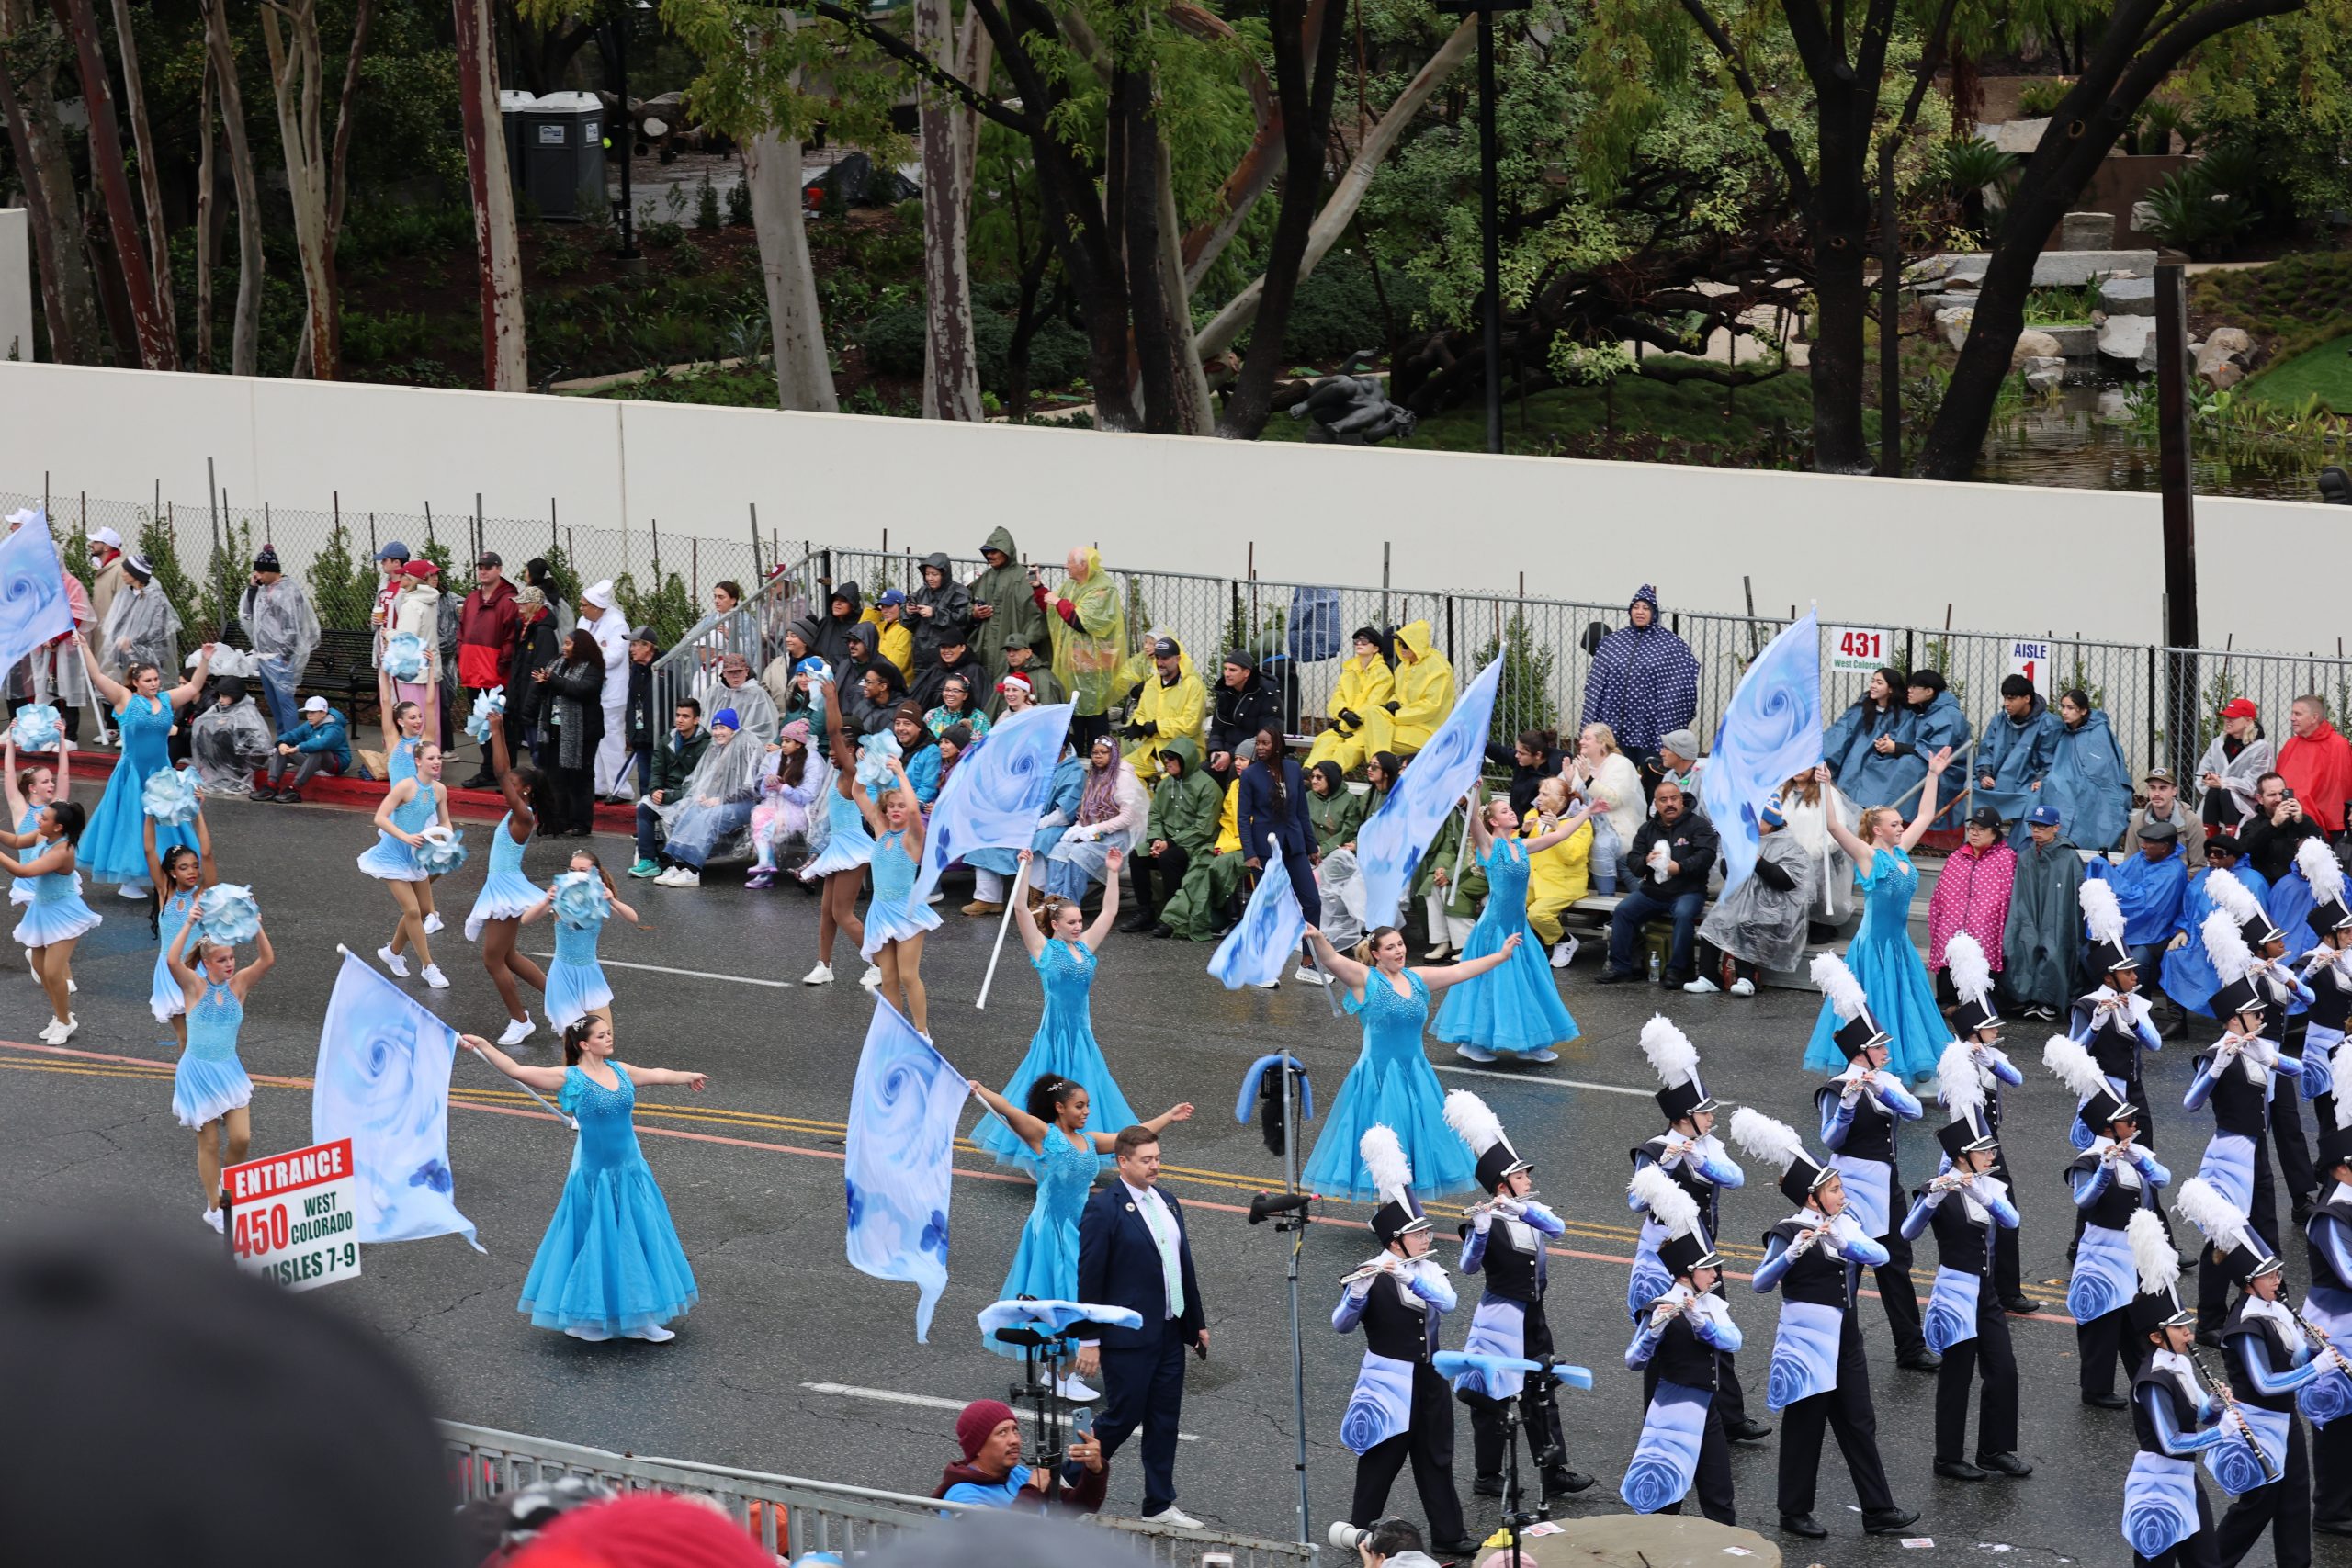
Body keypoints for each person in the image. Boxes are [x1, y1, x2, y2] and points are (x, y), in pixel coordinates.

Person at [1728, 1109, 1918, 1541]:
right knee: (1805, 1426)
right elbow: (1760, 1283)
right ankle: (1793, 1512)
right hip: (1806, 1343)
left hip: (1846, 1337)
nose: (1842, 1192)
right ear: (1812, 1197)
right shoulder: (1786, 1230)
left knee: (1858, 1421)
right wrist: (1790, 1255)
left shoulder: (1847, 1223)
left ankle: (1878, 1509)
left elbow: (1883, 1257)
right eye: (1834, 1189)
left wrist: (1842, 1238)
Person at [468, 1016, 705, 1343]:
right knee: (599, 1245)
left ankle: (639, 1318)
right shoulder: (570, 1079)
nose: (609, 1039)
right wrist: (482, 1044)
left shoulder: (620, 1070)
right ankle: (595, 1319)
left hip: (631, 1172)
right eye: (602, 1035)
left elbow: (658, 1074)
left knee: (636, 1240)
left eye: (609, 1033)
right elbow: (516, 1071)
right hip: (597, 1179)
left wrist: (687, 1076)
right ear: (584, 1044)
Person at [1445, 1091, 1593, 1507]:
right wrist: (1478, 1227)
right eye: (1522, 1175)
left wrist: (1518, 1207)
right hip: (1500, 1317)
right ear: (1501, 1183)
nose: (1529, 1180)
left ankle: (1554, 1469)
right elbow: (1469, 1268)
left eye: (1526, 1175)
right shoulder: (1486, 1221)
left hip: (1533, 1315)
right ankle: (1487, 1475)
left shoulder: (1533, 1213)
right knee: (1493, 1393)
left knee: (1540, 1388)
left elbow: (1557, 1227)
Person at [1335, 1128, 1476, 1553]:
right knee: (1381, 1459)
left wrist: (1409, 1273)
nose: (1426, 1239)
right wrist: (1356, 1294)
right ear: (1395, 1241)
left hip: (1429, 1378)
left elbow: (1448, 1303)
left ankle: (1450, 1536)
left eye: (1426, 1233)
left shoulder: (1425, 1270)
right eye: (1419, 1235)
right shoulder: (1370, 1271)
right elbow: (1341, 1325)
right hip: (1388, 1382)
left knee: (1436, 1457)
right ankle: (1360, 1534)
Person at [1300, 925, 1516, 1199]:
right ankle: (1391, 1208)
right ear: (1376, 954)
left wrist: (1500, 956)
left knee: (1416, 1137)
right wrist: (1318, 938)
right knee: (1386, 1138)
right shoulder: (1365, 979)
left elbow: (1460, 971)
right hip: (1379, 1076)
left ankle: (1403, 1207)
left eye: (1400, 944)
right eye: (1390, 947)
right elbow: (1331, 960)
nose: (1399, 950)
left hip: (1416, 1073)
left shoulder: (1416, 978)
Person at [1625, 1018, 1765, 1440]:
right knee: (1664, 1331)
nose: (1710, 1118)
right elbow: (1635, 1202)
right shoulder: (1652, 1149)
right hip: (1664, 1255)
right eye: (1704, 1113)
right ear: (1685, 1118)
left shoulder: (1708, 1146)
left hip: (1703, 1250)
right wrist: (1665, 1163)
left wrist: (1698, 1159)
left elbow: (1735, 1177)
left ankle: (1731, 1417)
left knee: (1716, 1321)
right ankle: (1658, 1415)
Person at [1066, 1123, 1207, 1528]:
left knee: (1165, 1420)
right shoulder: (1104, 1207)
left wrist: (1195, 1322)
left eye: (1158, 1158)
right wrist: (1089, 1339)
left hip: (1168, 1330)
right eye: (1146, 1160)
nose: (1155, 1166)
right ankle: (1068, 1479)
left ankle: (1159, 1505)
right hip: (1126, 1335)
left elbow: (1183, 1266)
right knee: (1123, 1416)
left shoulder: (1167, 1201)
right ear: (1122, 1161)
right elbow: (1090, 1275)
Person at [2177, 1179, 2320, 1568]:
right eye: (2270, 1274)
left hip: (2284, 1418)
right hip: (2257, 1421)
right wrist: (2317, 1368)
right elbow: (2264, 1382)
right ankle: (2213, 1563)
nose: (2279, 1279)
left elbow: (2291, 1358)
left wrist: (2313, 1351)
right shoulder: (2244, 1326)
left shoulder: (2273, 1308)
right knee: (2258, 1503)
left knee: (2293, 1498)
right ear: (2247, 1283)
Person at [1900, 1049, 2029, 1482]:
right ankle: (1948, 1457)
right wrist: (1934, 1196)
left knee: (2004, 1370)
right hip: (1955, 1291)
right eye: (1983, 1150)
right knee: (1957, 1374)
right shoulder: (1937, 1189)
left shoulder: (1991, 1187)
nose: (1992, 1155)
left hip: (1986, 1290)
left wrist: (1978, 1191)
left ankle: (1995, 1448)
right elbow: (1907, 1234)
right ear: (1962, 1157)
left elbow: (2011, 1220)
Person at [972, 852, 1144, 1168]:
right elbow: (1021, 908)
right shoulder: (1042, 948)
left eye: (1080, 921)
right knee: (1046, 1096)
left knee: (1084, 1094)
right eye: (1072, 922)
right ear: (1055, 924)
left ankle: (1081, 1154)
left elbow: (1110, 910)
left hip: (1081, 1034)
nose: (1079, 926)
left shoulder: (1085, 946)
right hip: (1053, 1033)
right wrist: (1023, 869)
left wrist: (1113, 872)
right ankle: (1047, 1156)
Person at [1808, 953, 1935, 1371]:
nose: (1887, 1051)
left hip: (1887, 1183)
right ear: (1863, 1051)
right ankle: (1841, 1345)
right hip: (1851, 1185)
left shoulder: (1885, 1080)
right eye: (1880, 1047)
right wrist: (1847, 1103)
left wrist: (1878, 1086)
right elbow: (1831, 1140)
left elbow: (1915, 1111)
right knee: (1850, 1268)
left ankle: (1910, 1347)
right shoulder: (1834, 1089)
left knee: (1897, 1263)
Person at [1797, 750, 1954, 1079]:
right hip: (1873, 946)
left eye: (1900, 823)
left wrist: (1933, 774)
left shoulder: (1901, 851)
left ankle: (1902, 1062)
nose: (1901, 828)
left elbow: (1926, 814)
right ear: (1878, 830)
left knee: (1905, 1004)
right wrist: (1825, 786)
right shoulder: (1867, 854)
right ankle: (1871, 1065)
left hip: (1898, 944)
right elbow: (1832, 825)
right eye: (1895, 824)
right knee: (1876, 1003)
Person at [2047, 1029, 2174, 1406]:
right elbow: (2084, 1202)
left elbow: (2164, 1179)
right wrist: (2105, 1169)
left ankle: (2144, 1380)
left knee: (2137, 1320)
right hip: (2102, 1250)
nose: (2133, 1125)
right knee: (2102, 1321)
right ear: (2107, 1127)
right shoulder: (2088, 1160)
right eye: (2126, 1121)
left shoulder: (2136, 1151)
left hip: (2135, 1249)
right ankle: (2096, 1388)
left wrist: (2136, 1157)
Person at [1430, 795, 1582, 1063]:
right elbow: (1474, 820)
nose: (1512, 813)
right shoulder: (1489, 846)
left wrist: (1589, 810)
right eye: (1505, 811)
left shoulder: (1522, 846)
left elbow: (1560, 836)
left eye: (1511, 808)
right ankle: (1474, 1043)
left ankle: (1531, 1043)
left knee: (1530, 981)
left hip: (1518, 925)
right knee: (1494, 985)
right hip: (1496, 928)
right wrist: (1475, 792)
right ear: (1493, 821)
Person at [2119, 1215, 2230, 1566]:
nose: (2190, 1335)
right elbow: (2172, 1442)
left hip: (2183, 1478)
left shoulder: (2179, 1362)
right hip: (2156, 1488)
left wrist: (2215, 1406)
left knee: (2206, 1561)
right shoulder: (2153, 1381)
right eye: (2181, 1329)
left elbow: (2199, 1416)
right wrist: (2221, 1434)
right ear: (2156, 1337)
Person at [163, 893, 273, 1232]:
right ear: (208, 963)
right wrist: (189, 923)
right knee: (209, 1142)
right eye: (223, 960)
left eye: (232, 958)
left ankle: (227, 1183)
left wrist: (256, 926)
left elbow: (267, 960)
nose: (230, 964)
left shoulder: (239, 986)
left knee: (241, 1139)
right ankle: (216, 1206)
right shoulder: (194, 987)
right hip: (197, 1072)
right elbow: (172, 962)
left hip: (229, 1070)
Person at [1621, 1218, 1743, 1523]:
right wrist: (1652, 1333)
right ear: (1688, 1274)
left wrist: (1702, 1325)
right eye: (1709, 1269)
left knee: (1720, 1497)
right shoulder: (1659, 1308)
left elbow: (1734, 1341)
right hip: (1672, 1416)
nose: (1716, 1274)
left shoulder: (1710, 1304)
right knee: (1665, 1500)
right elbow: (1633, 1361)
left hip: (1707, 1413)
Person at [76, 640, 213, 895]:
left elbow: (195, 685)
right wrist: (85, 648)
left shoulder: (166, 699)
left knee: (166, 823)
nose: (154, 683)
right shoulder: (124, 699)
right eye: (148, 680)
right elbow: (96, 676)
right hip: (133, 774)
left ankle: (165, 871)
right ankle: (130, 880)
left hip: (161, 773)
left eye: (156, 679)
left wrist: (204, 660)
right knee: (133, 822)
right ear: (136, 682)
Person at [1945, 933, 2037, 1314]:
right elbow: (1961, 1116)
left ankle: (2007, 1288)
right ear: (1973, 1031)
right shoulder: (1956, 1061)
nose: (1997, 1032)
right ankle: (1981, 1288)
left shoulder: (1988, 1055)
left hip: (1990, 1143)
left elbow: (2016, 1079)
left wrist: (1988, 1059)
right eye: (1990, 1027)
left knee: (2004, 1212)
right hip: (1971, 1149)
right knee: (1974, 1220)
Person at [465, 713, 548, 1045]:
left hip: (506, 889)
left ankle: (520, 1020)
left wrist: (498, 730)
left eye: (513, 787)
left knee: (492, 959)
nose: (506, 789)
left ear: (525, 790)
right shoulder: (518, 814)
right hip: (501, 886)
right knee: (510, 957)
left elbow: (500, 771)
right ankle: (566, 1006)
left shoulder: (523, 816)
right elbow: (504, 774)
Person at [1597, 780, 1718, 987]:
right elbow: (1633, 861)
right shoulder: (1647, 829)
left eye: (1674, 798)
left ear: (1682, 801)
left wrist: (1679, 867)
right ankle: (1621, 967)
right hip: (1653, 891)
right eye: (1663, 800)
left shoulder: (1698, 825)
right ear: (1656, 804)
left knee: (1683, 913)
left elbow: (1707, 855)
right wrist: (1645, 861)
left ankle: (1677, 971)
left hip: (1688, 891)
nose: (1669, 804)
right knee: (1623, 910)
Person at [854, 748, 941, 1033]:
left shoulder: (914, 838)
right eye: (891, 806)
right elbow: (857, 792)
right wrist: (864, 765)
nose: (896, 810)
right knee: (888, 977)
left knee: (907, 975)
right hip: (880, 911)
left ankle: (922, 1031)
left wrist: (900, 773)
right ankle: (897, 1031)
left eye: (900, 806)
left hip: (907, 911)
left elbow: (915, 810)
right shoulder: (881, 830)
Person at [360, 739, 454, 988]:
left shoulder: (439, 790)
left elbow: (445, 822)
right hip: (392, 854)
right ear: (418, 761)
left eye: (439, 758)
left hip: (416, 856)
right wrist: (405, 837)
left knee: (424, 911)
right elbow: (380, 817)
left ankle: (392, 951)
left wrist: (446, 840)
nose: (436, 762)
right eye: (431, 758)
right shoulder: (405, 786)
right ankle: (428, 967)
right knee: (412, 911)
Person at [1691, 795, 1807, 997]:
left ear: (1771, 823)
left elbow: (1787, 881)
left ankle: (1746, 977)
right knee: (1715, 922)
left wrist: (1758, 861)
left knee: (1745, 920)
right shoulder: (1743, 839)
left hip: (1774, 908)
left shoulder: (1788, 844)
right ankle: (1708, 976)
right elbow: (1727, 872)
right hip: (1741, 902)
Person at [801, 680, 877, 985]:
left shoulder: (852, 772)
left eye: (839, 750)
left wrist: (830, 699)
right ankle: (824, 965)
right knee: (827, 911)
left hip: (854, 850)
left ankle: (880, 963)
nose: (833, 753)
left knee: (843, 913)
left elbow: (833, 732)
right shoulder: (840, 773)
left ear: (852, 751)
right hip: (839, 847)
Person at [1, 799, 94, 1041]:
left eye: (44, 818)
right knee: (42, 970)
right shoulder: (44, 837)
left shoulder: (63, 851)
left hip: (64, 913)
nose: (38, 820)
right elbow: (17, 841)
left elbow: (24, 871)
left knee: (53, 972)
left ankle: (65, 1022)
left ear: (58, 827)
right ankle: (62, 1016)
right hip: (42, 910)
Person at [1579, 585, 1698, 765]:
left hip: (1649, 726)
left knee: (1650, 772)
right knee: (1615, 771)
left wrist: (1667, 719)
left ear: (1654, 612)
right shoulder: (1613, 642)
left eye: (1646, 608)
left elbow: (1682, 687)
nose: (1640, 612)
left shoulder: (1671, 645)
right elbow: (1596, 684)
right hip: (1614, 722)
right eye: (1636, 607)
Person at [650, 708, 768, 887]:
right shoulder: (718, 747)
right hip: (723, 800)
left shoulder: (746, 746)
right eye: (715, 728)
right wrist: (706, 794)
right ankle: (678, 864)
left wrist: (720, 799)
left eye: (722, 728)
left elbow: (751, 788)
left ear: (733, 729)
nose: (718, 732)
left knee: (709, 817)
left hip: (746, 804)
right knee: (691, 812)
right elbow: (712, 778)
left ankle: (692, 870)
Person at [522, 852, 639, 1030]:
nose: (576, 874)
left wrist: (612, 900)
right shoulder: (561, 895)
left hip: (590, 975)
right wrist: (547, 900)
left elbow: (633, 918)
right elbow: (526, 920)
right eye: (572, 870)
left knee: (603, 1037)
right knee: (573, 1046)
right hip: (562, 974)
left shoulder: (599, 898)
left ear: (595, 873)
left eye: (583, 870)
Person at [2304, 1118, 2352, 1537]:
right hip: (2335, 1328)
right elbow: (2348, 1274)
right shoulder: (2329, 1217)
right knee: (2336, 1418)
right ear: (2340, 1168)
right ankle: (2331, 1510)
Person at [933, 1398, 1106, 1513]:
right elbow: (999, 1545)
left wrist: (1094, 1470)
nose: (1014, 1439)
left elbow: (1076, 1510)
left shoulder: (1019, 1475)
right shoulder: (962, 1497)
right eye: (1002, 1432)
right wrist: (1032, 1491)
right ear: (977, 1446)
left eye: (1015, 1430)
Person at [1031, 548, 1125, 753]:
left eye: (1069, 562)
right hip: (1071, 670)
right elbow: (1054, 610)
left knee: (1095, 726)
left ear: (1083, 565)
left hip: (1093, 672)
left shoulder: (1103, 588)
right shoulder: (1071, 586)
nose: (1066, 566)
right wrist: (1039, 588)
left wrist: (1058, 601)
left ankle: (1101, 771)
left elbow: (1082, 621)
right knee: (1073, 724)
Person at [1125, 737, 1219, 936]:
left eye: (1172, 758)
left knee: (1170, 858)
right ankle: (1146, 912)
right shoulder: (1165, 785)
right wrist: (1155, 840)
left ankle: (1170, 916)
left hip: (1197, 844)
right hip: (1167, 841)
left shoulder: (1208, 787)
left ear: (1187, 759)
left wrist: (1171, 843)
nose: (1167, 762)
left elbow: (1204, 828)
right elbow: (1156, 815)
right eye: (1165, 758)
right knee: (1137, 856)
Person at [1926, 805, 2019, 1005]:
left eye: (1981, 830)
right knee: (1949, 951)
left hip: (1987, 922)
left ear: (1994, 833)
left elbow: (2010, 894)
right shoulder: (1956, 857)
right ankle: (1947, 1001)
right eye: (1972, 829)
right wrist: (1940, 919)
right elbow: (1940, 893)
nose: (1975, 834)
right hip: (1953, 920)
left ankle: (1982, 1003)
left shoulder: (2006, 857)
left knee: (1984, 957)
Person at [141, 807, 216, 1047]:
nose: (192, 871)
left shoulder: (202, 895)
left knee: (200, 1034)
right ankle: (186, 1082)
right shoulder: (165, 892)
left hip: (197, 971)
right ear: (172, 873)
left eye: (194, 866)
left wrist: (199, 812)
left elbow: (207, 853)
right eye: (184, 867)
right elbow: (149, 849)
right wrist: (150, 815)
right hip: (168, 971)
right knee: (185, 1037)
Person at [2005, 803, 2087, 1020]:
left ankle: (2049, 999)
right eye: (2033, 826)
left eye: (2042, 827)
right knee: (2025, 941)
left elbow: (2074, 893)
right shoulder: (2026, 855)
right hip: (2031, 912)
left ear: (2056, 828)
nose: (2037, 831)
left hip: (2057, 914)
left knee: (2054, 944)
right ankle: (2030, 997)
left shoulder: (2068, 857)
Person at [1043, 736, 1146, 904]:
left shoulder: (1122, 776)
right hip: (1095, 833)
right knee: (1059, 850)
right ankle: (1052, 904)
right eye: (1095, 753)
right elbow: (1088, 810)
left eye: (1104, 752)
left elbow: (1128, 817)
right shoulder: (1095, 775)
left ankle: (1070, 904)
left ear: (1114, 754)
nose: (1098, 756)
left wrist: (1097, 828)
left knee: (1079, 854)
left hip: (1119, 836)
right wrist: (1078, 827)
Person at [237, 544, 320, 736]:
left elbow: (293, 625)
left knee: (285, 701)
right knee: (273, 701)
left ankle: (291, 741)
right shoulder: (262, 590)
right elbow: (248, 613)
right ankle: (282, 739)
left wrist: (286, 654)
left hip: (280, 657)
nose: (257, 576)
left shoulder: (289, 591)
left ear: (271, 571)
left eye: (260, 572)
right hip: (264, 655)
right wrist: (252, 588)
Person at [452, 552, 518, 787]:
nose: (483, 570)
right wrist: (462, 656)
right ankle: (488, 770)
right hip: (473, 673)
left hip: (496, 676)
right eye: (480, 566)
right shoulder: (471, 599)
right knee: (480, 724)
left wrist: (501, 664)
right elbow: (461, 630)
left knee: (502, 726)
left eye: (489, 567)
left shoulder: (510, 600)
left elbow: (511, 637)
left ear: (499, 569)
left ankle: (507, 774)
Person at [534, 628, 607, 837]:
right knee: (555, 778)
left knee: (580, 779)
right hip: (555, 728)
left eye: (568, 643)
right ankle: (560, 820)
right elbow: (547, 691)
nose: (564, 647)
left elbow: (582, 689)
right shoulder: (557, 663)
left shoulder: (592, 668)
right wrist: (542, 684)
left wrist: (553, 681)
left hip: (583, 733)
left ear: (580, 646)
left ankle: (581, 823)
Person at [2043, 688, 2134, 853]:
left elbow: (2106, 771)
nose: (2064, 712)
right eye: (2063, 707)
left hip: (2095, 791)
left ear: (2083, 710)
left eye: (2070, 708)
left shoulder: (2099, 732)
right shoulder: (2064, 732)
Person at [628, 699, 709, 879]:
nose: (680, 720)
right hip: (667, 792)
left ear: (696, 720)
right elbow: (656, 770)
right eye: (678, 715)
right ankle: (648, 861)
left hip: (691, 795)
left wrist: (670, 796)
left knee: (682, 812)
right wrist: (655, 790)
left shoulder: (705, 744)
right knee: (644, 808)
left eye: (686, 716)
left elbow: (700, 782)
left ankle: (678, 863)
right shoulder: (668, 739)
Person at [2105, 819, 2191, 984]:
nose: (2143, 846)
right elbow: (2120, 878)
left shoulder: (2172, 872)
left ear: (2164, 847)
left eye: (2148, 842)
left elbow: (2143, 904)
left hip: (2157, 933)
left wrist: (2109, 877)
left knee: (2136, 961)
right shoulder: (2140, 858)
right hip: (2132, 926)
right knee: (2090, 954)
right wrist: (2109, 871)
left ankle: (2140, 1005)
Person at [1973, 674, 2062, 831]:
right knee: (1969, 789)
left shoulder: (2049, 724)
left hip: (2028, 784)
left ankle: (2021, 851)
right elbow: (1986, 750)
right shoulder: (1999, 720)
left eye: (2011, 699)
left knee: (2033, 801)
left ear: (2027, 698)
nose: (2006, 704)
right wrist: (1984, 774)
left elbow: (2049, 760)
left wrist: (2041, 778)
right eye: (2005, 698)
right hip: (1995, 781)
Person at [1519, 777, 1592, 964]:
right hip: (1533, 879)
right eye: (1539, 793)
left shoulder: (1580, 822)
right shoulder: (1532, 815)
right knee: (1508, 904)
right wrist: (1523, 833)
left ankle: (1564, 941)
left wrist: (1557, 830)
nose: (1539, 798)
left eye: (1545, 794)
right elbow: (1519, 846)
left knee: (1538, 914)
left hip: (1563, 882)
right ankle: (1521, 948)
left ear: (1561, 800)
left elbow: (1573, 856)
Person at [745, 720, 827, 886]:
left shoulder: (813, 760)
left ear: (799, 743)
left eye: (788, 741)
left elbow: (807, 796)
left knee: (770, 826)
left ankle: (765, 870)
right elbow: (762, 791)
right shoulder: (776, 758)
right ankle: (765, 866)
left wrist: (782, 788)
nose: (783, 745)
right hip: (774, 804)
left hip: (800, 809)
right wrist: (767, 783)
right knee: (759, 816)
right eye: (782, 740)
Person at [1822, 668, 1918, 808]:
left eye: (1879, 683)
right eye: (1873, 681)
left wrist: (1891, 746)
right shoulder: (1862, 709)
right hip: (1854, 763)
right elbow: (1842, 733)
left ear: (1891, 689)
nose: (1873, 685)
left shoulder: (1904, 715)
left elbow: (1905, 739)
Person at [1567, 721, 1644, 895]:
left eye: (1587, 738)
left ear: (1602, 742)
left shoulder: (1621, 764)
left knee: (1601, 846)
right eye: (1581, 738)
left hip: (1615, 828)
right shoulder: (1582, 764)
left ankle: (1606, 901)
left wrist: (1587, 779)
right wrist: (1568, 781)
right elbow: (1566, 800)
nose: (1581, 742)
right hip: (1585, 827)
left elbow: (1612, 800)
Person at [1308, 628, 1396, 776]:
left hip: (1365, 727)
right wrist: (1343, 713)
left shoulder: (1383, 673)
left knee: (1347, 750)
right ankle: (1308, 773)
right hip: (1345, 723)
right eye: (1357, 640)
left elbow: (1374, 702)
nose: (1359, 643)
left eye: (1365, 641)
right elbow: (1337, 697)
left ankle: (1326, 777)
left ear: (1375, 648)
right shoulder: (1349, 670)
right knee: (1324, 741)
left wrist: (1348, 719)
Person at [1121, 636, 1205, 784]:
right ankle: (1146, 806)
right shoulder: (1151, 684)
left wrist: (1157, 726)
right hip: (1151, 751)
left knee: (1168, 785)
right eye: (1157, 658)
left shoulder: (1193, 686)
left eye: (1165, 659)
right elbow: (1140, 713)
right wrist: (1138, 726)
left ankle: (1157, 803)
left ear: (1178, 658)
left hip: (1182, 753)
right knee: (1120, 772)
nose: (1160, 663)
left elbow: (1191, 725)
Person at [577, 580, 632, 800]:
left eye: (584, 605)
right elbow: (578, 646)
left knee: (612, 740)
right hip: (591, 688)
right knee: (594, 739)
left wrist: (589, 656)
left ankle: (620, 788)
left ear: (597, 606)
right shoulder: (584, 621)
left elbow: (614, 656)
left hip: (611, 691)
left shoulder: (617, 624)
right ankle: (599, 785)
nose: (581, 609)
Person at [969, 529, 1047, 682]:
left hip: (1011, 649)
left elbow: (1038, 615)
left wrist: (1023, 645)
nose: (989, 556)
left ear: (1006, 551)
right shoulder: (985, 578)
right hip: (985, 649)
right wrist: (974, 613)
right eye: (986, 552)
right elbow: (968, 605)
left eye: (994, 551)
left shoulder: (1022, 577)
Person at [97, 551, 181, 683]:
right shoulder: (125, 594)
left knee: (146, 685)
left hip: (150, 654)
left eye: (126, 571)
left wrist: (132, 643)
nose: (122, 574)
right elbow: (117, 620)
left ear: (136, 574)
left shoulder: (156, 598)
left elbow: (157, 630)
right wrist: (116, 638)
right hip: (125, 652)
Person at [2199, 698, 2274, 841]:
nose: (2228, 720)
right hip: (2214, 802)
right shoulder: (2217, 743)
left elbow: (2255, 786)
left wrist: (2224, 783)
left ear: (2248, 720)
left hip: (2246, 805)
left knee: (2225, 792)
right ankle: (2210, 845)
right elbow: (2201, 772)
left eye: (2233, 717)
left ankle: (2232, 844)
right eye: (2226, 717)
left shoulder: (2261, 748)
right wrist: (2208, 779)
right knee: (2215, 792)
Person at [2280, 694, 2352, 838]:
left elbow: (2341, 788)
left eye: (2298, 714)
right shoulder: (2291, 744)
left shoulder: (2338, 745)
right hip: (2290, 815)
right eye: (2292, 713)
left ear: (2314, 718)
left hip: (2327, 821)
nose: (2292, 718)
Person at [255, 694, 351, 802]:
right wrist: (281, 743)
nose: (309, 715)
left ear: (323, 713)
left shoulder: (334, 728)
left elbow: (320, 743)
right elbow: (292, 735)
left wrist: (298, 748)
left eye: (313, 712)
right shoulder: (310, 724)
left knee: (318, 752)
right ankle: (271, 786)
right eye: (308, 712)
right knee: (282, 750)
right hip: (314, 761)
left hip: (336, 764)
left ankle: (294, 789)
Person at [187, 676, 273, 795]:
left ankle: (238, 779)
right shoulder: (221, 706)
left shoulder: (246, 710)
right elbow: (203, 720)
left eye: (224, 696)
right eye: (220, 696)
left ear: (235, 695)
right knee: (206, 733)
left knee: (222, 736)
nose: (221, 700)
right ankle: (221, 775)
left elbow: (256, 739)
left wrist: (225, 724)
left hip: (249, 755)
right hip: (230, 752)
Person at [2240, 771, 2325, 886]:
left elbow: (2324, 847)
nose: (2278, 799)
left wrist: (2301, 822)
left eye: (2282, 793)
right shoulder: (2252, 825)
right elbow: (2244, 850)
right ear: (2260, 799)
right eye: (2272, 795)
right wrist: (2273, 824)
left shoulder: (2302, 820)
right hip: (2267, 886)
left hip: (2300, 886)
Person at [1204, 651, 1276, 784]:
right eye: (1225, 669)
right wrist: (1215, 751)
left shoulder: (1266, 695)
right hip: (1225, 753)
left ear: (1246, 673)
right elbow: (1217, 729)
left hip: (1252, 758)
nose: (1227, 674)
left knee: (1235, 770)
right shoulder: (1224, 692)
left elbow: (1265, 738)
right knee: (1202, 774)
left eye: (1233, 670)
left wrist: (1232, 756)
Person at [1385, 621, 1454, 757]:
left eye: (1405, 644)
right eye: (1399, 643)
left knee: (1376, 734)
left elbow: (1430, 707)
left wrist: (1396, 716)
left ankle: (1381, 772)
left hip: (1429, 731)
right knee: (1373, 722)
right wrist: (1392, 702)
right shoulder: (1403, 667)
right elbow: (1398, 694)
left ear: (1416, 644)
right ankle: (1382, 771)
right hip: (1405, 726)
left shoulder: (1438, 668)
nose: (1401, 648)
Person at [2128, 768, 2209, 866]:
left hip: (2181, 880)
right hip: (2146, 879)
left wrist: (2170, 879)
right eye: (2152, 788)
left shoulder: (2192, 822)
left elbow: (2199, 866)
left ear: (2174, 791)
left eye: (2163, 788)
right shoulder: (2138, 821)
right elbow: (2130, 863)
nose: (2156, 793)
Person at [907, 551, 973, 667]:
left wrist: (934, 613)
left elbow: (962, 621)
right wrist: (908, 611)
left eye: (934, 574)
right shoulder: (922, 592)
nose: (930, 578)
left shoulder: (960, 593)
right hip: (920, 656)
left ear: (944, 574)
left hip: (947, 659)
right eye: (927, 574)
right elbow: (907, 622)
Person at [620, 627, 659, 801]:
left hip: (657, 737)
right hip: (640, 735)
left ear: (648, 647)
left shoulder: (664, 668)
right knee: (643, 781)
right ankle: (646, 824)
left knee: (657, 782)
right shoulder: (636, 669)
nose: (631, 649)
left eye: (635, 644)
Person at [910, 635, 988, 717]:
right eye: (943, 647)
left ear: (962, 648)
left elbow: (982, 703)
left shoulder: (975, 671)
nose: (947, 651)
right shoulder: (935, 670)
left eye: (952, 646)